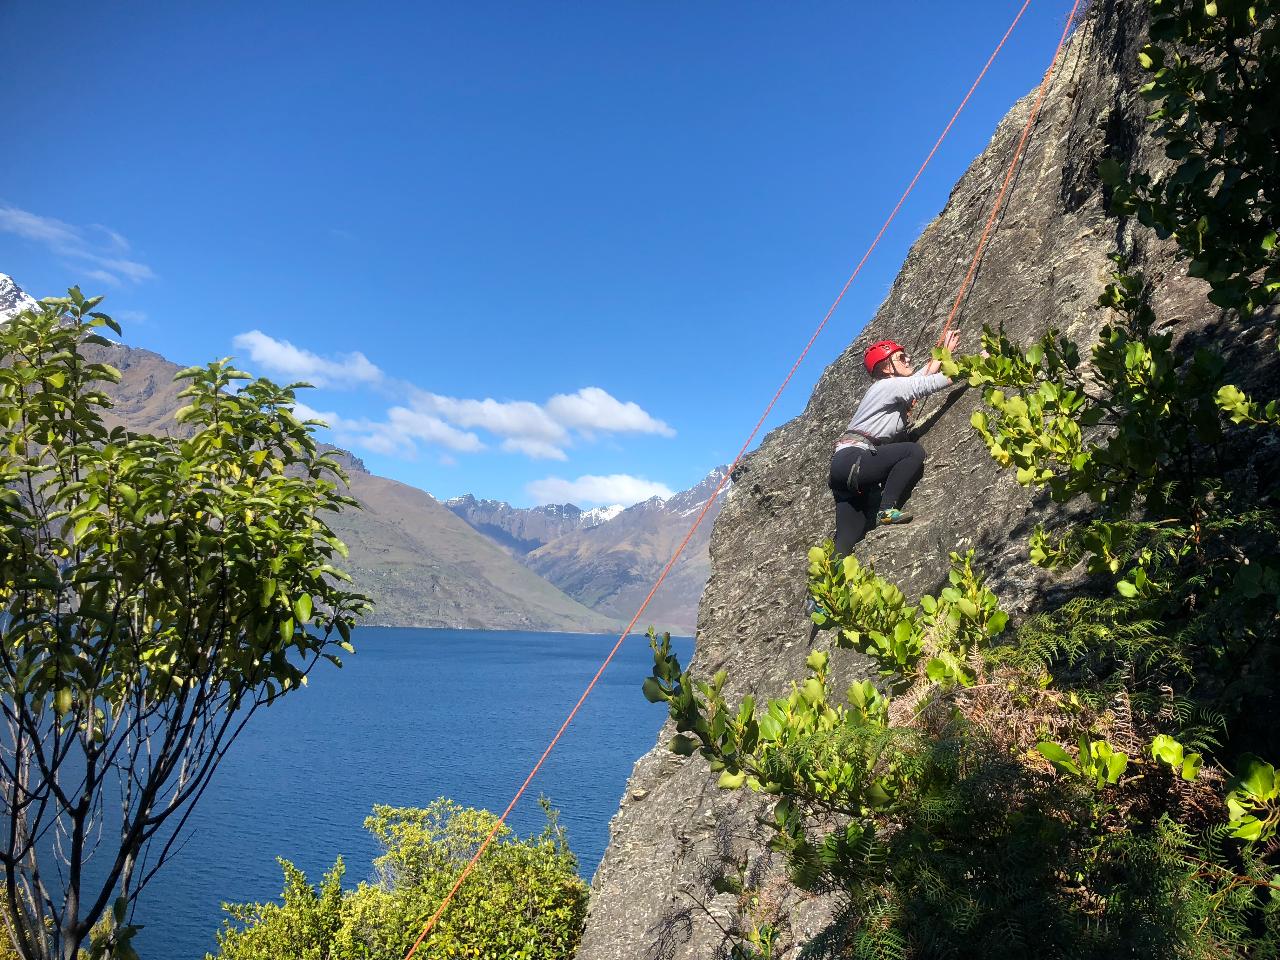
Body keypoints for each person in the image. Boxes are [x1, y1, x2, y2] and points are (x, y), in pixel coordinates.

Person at [828, 330, 960, 554]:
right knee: (912, 452)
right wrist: (977, 365)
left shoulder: (890, 388)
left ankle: (826, 585)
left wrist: (943, 354)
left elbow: (920, 378)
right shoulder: (887, 386)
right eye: (900, 357)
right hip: (855, 460)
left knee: (846, 542)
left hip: (845, 470)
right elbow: (925, 385)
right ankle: (886, 510)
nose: (907, 358)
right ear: (886, 368)